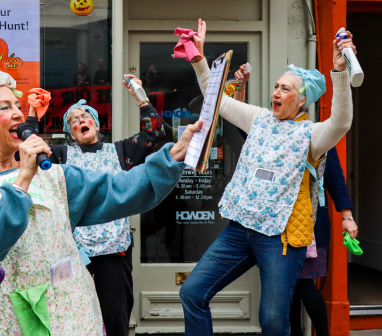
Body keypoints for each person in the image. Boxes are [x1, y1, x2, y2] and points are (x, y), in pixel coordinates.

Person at [0, 70, 202, 336]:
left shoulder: (57, 176)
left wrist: (173, 155)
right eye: (5, 107)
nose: (20, 114)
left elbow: (119, 191)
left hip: (71, 318)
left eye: (19, 106)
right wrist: (22, 182)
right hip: (4, 323)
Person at [179, 19, 355, 336]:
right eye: (276, 86)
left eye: (284, 88)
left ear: (301, 100)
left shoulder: (312, 135)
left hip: (281, 238)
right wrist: (198, 57)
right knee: (192, 293)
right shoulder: (259, 118)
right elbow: (214, 97)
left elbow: (341, 122)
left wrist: (340, 72)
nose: (276, 91)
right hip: (240, 229)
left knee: (273, 322)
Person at [26, 75, 164, 336]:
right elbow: (27, 151)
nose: (80, 121)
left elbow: (155, 133)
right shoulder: (62, 155)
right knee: (71, 317)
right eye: (73, 121)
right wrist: (34, 113)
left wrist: (140, 95)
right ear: (71, 132)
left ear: (96, 124)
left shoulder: (121, 152)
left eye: (84, 116)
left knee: (115, 317)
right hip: (73, 252)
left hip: (114, 252)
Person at [289, 146, 358, 336]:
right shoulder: (271, 132)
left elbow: (335, 181)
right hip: (278, 226)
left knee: (303, 284)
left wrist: (347, 217)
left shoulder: (320, 136)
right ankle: (295, 332)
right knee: (287, 286)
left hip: (310, 225)